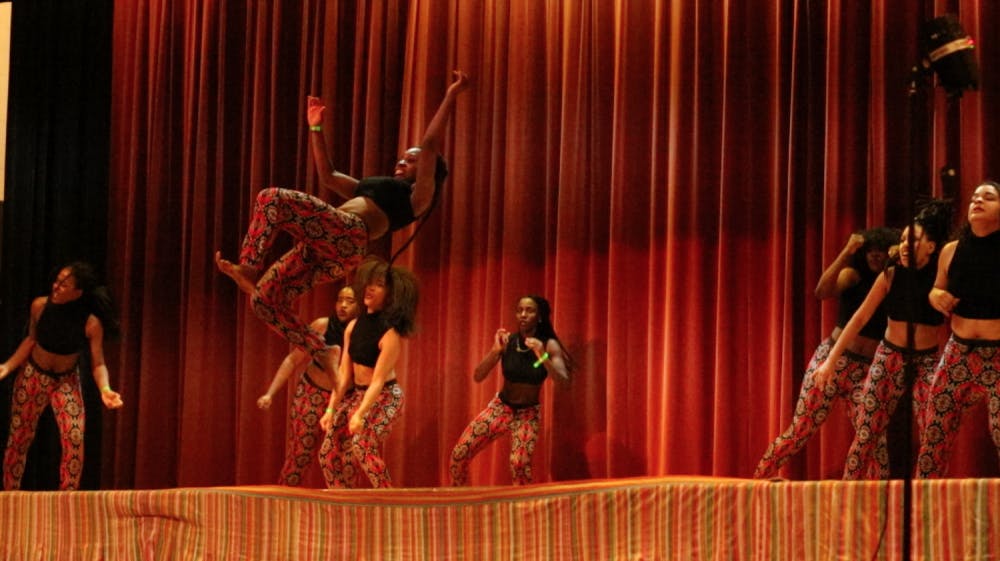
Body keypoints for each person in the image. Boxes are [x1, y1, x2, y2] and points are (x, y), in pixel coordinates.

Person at [216, 70, 469, 374]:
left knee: (272, 198)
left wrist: (451, 94)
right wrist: (316, 128)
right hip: (330, 250)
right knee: (264, 301)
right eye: (403, 157)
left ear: (428, 171)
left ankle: (250, 263)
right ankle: (320, 349)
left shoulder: (417, 197)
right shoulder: (374, 185)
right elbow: (328, 177)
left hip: (348, 235)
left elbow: (429, 144)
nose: (402, 161)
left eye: (411, 160)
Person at [813, 200, 953, 479]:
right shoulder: (891, 274)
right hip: (888, 357)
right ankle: (847, 499)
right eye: (901, 239)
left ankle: (925, 504)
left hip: (926, 361)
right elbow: (859, 318)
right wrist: (830, 361)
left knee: (933, 434)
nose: (903, 245)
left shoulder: (942, 274)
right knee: (866, 433)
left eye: (912, 240)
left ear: (931, 246)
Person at [753, 227, 898, 479]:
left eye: (881, 252)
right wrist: (846, 251)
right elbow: (822, 291)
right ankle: (759, 480)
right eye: (870, 252)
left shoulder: (894, 281)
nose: (875, 257)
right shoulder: (852, 275)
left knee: (874, 436)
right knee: (801, 428)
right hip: (832, 361)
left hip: (866, 369)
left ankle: (878, 501)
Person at [0, 262, 123, 490]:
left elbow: (98, 363)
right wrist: (7, 367)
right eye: (57, 281)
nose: (56, 287)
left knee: (74, 438)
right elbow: (31, 340)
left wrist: (105, 390)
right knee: (19, 437)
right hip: (33, 375)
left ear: (77, 293)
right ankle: (9, 495)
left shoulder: (91, 323)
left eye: (64, 285)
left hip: (66, 381)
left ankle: (67, 497)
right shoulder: (39, 306)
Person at [917, 181, 1000, 478]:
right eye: (974, 197)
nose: (977, 201)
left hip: (999, 355)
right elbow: (936, 289)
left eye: (988, 198)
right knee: (934, 429)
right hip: (959, 351)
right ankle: (924, 508)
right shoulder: (951, 251)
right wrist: (935, 296)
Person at [449, 295, 571, 486]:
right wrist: (495, 351)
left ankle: (523, 513)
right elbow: (478, 376)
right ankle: (461, 501)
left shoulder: (548, 345)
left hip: (527, 414)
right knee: (459, 454)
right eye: (520, 310)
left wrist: (543, 356)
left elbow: (563, 383)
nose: (523, 314)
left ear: (539, 317)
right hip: (501, 408)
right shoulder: (508, 342)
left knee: (519, 465)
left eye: (529, 310)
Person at [317, 258, 418, 488]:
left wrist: (360, 414)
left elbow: (378, 381)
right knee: (327, 455)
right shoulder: (353, 326)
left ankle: (388, 501)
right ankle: (344, 504)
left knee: (362, 446)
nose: (370, 287)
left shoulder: (391, 334)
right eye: (369, 282)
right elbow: (343, 374)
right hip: (358, 395)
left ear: (390, 295)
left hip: (386, 396)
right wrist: (331, 408)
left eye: (379, 284)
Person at [256, 284, 359, 486]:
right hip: (311, 394)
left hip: (344, 399)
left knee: (342, 459)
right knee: (300, 454)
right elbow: (292, 360)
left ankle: (344, 509)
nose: (343, 305)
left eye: (350, 301)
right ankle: (284, 505)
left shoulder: (362, 333)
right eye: (340, 299)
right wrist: (270, 393)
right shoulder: (322, 325)